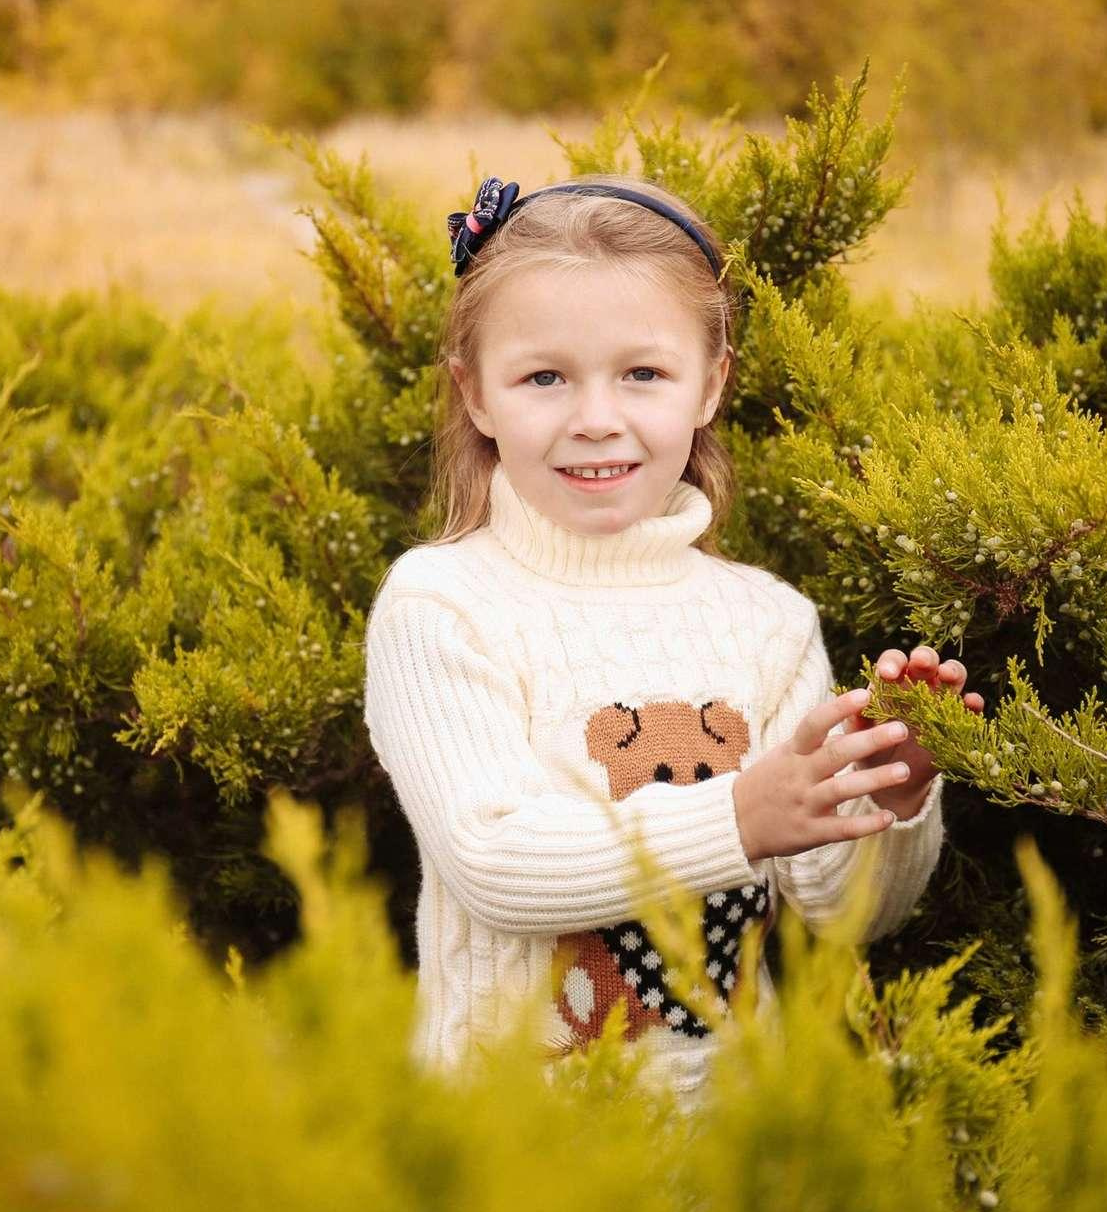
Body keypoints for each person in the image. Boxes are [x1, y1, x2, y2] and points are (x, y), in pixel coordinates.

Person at [362, 173, 984, 1111]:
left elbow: (839, 908)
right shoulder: (443, 604)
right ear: (475, 394)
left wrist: (888, 799)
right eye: (544, 377)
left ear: (711, 382)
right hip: (511, 1162)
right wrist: (739, 815)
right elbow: (494, 860)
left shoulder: (766, 621)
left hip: (731, 1156)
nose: (596, 417)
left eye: (642, 373)